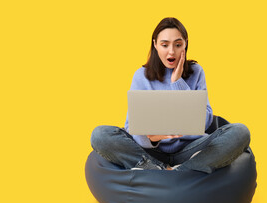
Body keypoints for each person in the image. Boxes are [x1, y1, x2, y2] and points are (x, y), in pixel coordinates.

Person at [91, 17, 251, 173]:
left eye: (178, 44)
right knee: (100, 135)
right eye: (165, 45)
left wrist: (177, 81)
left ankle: (178, 171)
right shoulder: (141, 76)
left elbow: (205, 121)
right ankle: (154, 167)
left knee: (240, 132)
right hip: (150, 152)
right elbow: (131, 127)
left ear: (185, 44)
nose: (171, 51)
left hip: (191, 149)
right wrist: (153, 138)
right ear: (155, 44)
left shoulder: (196, 72)